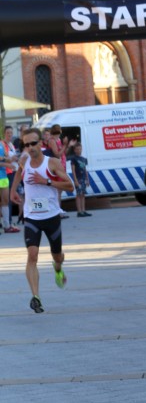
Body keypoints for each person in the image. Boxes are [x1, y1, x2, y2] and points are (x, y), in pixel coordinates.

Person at [10, 128, 74, 313]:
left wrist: (46, 181)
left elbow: (69, 186)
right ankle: (36, 297)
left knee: (57, 256)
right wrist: (13, 190)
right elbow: (18, 172)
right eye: (26, 144)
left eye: (33, 143)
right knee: (32, 255)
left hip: (51, 217)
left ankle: (58, 268)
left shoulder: (52, 163)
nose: (30, 147)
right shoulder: (24, 160)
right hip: (32, 217)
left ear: (40, 143)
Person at [0, 130, 20, 233]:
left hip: (3, 176)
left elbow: (6, 157)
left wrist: (12, 159)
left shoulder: (1, 144)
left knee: (5, 201)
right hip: (3, 174)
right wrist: (6, 163)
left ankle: (7, 225)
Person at [67, 141, 92, 217]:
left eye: (80, 149)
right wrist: (75, 180)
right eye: (77, 149)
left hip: (83, 178)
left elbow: (85, 169)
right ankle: (79, 211)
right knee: (79, 194)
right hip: (78, 178)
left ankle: (83, 210)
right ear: (74, 150)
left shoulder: (84, 159)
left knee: (83, 194)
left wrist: (87, 179)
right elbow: (73, 170)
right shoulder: (73, 159)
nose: (79, 150)